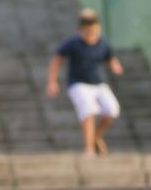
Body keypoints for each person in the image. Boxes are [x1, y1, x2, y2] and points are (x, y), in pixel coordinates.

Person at [45, 9, 124, 156]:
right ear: (80, 30)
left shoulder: (102, 43)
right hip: (78, 84)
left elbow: (110, 58)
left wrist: (115, 66)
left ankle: (96, 136)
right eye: (87, 32)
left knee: (112, 109)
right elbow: (56, 60)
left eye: (93, 32)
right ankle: (89, 149)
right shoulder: (73, 43)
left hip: (98, 83)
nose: (90, 36)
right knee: (88, 110)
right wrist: (51, 82)